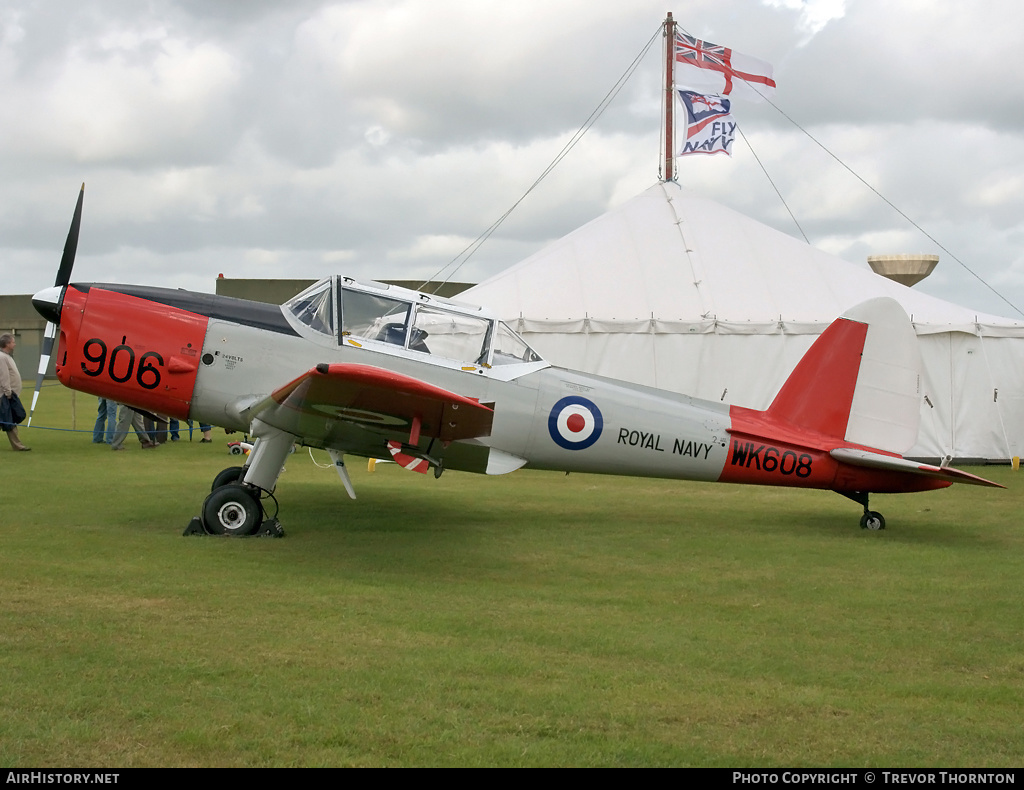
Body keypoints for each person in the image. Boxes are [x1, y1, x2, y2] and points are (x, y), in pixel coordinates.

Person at [0, 333, 30, 451]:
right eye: (13, 342)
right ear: (7, 344)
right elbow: (4, 377)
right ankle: (18, 446)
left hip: (8, 395)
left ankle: (17, 445)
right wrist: (8, 393)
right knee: (9, 419)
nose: (15, 344)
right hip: (4, 395)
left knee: (8, 419)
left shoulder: (6, 356)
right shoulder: (2, 358)